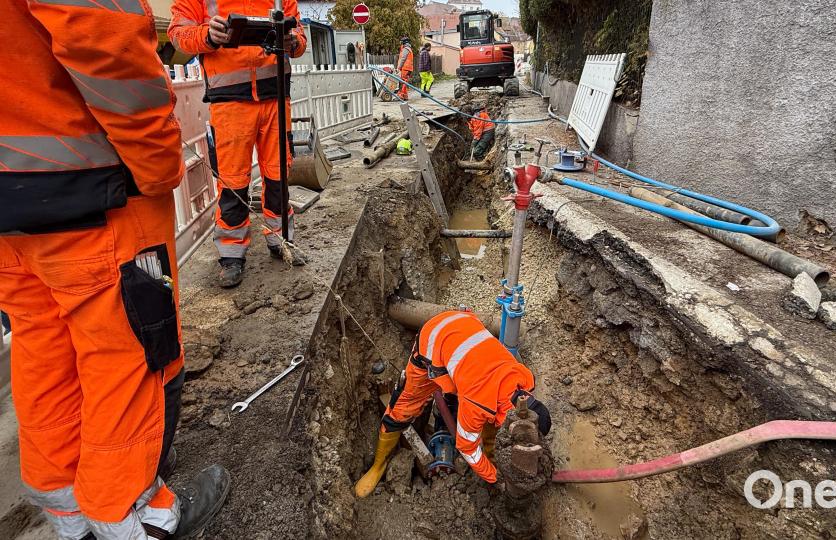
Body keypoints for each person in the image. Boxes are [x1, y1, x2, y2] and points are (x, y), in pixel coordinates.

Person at [0, 0, 230, 537]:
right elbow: (99, 32)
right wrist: (157, 166)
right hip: (89, 186)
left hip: (10, 195)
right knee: (122, 352)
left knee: (43, 348)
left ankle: (68, 513)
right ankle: (134, 515)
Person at [169, 0, 308, 288]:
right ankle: (231, 255)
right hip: (230, 102)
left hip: (276, 97)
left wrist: (291, 40)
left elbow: (300, 41)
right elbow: (178, 33)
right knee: (233, 182)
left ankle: (281, 239)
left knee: (279, 174)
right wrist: (208, 35)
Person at [354, 310, 551, 497]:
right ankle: (378, 465)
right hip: (433, 341)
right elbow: (467, 449)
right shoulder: (477, 403)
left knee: (472, 399)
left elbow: (497, 411)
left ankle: (492, 457)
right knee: (403, 408)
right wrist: (495, 478)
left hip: (465, 327)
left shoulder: (526, 379)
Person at [396, 36, 415, 101]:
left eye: (401, 42)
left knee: (403, 81)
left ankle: (401, 95)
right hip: (409, 68)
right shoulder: (408, 49)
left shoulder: (406, 49)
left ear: (403, 42)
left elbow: (403, 59)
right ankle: (405, 96)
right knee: (405, 81)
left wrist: (398, 67)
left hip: (405, 68)